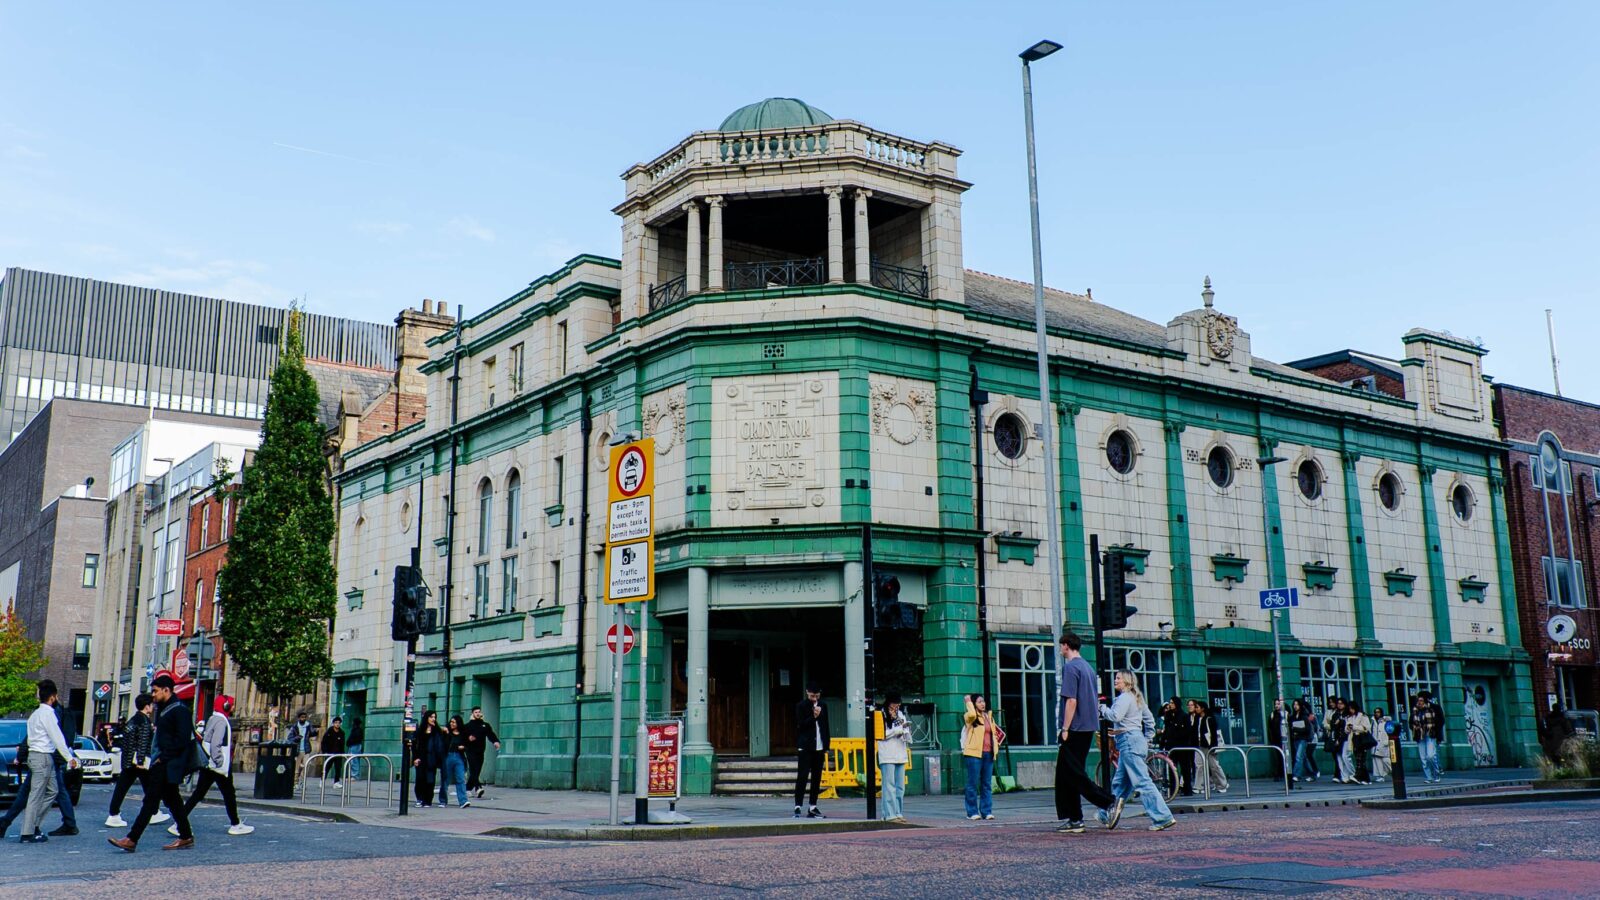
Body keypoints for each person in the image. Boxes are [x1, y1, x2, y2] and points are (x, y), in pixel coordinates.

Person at [108, 674, 195, 851]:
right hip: (162, 762)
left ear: (166, 690)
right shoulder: (165, 710)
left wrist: (164, 757)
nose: (153, 695)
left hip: (167, 763)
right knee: (173, 801)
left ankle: (132, 839)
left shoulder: (179, 710)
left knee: (151, 801)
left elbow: (183, 739)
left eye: (155, 691)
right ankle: (186, 836)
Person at [1096, 670, 1176, 832]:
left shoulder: (1124, 698)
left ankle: (1162, 817)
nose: (1115, 680)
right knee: (1120, 782)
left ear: (1126, 681)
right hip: (1134, 739)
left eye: (1118, 678)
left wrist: (1102, 709)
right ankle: (1106, 812)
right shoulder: (1137, 698)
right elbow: (1149, 719)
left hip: (1128, 741)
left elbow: (1116, 716)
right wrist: (1146, 738)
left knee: (1142, 781)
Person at [1054, 632, 1115, 834]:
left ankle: (1108, 802)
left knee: (1073, 773)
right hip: (1088, 726)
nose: (1060, 649)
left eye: (1061, 646)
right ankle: (1075, 819)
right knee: (1067, 774)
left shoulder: (1071, 668)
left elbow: (1071, 700)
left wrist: (1065, 728)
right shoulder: (1087, 667)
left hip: (1075, 727)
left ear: (1066, 646)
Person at [170, 695, 253, 836]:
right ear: (225, 706)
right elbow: (216, 743)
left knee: (199, 794)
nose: (233, 707)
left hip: (209, 765)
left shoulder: (212, 718)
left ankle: (178, 823)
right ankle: (235, 824)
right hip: (218, 767)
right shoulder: (221, 721)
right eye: (231, 705)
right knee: (229, 795)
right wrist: (219, 760)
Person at [17, 680, 81, 844]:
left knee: (53, 791)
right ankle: (28, 832)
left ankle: (34, 824)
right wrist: (70, 758)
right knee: (36, 795)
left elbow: (30, 738)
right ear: (53, 697)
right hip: (43, 756)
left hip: (38, 756)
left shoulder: (35, 714)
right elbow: (57, 737)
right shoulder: (48, 714)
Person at [105, 694, 170, 828]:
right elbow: (143, 742)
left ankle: (113, 814)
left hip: (128, 760)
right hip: (140, 762)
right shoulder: (145, 722)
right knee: (151, 787)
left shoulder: (133, 720)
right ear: (147, 707)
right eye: (151, 705)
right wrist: (141, 761)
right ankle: (154, 812)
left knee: (122, 788)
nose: (153, 707)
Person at [793, 684, 830, 819]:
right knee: (802, 776)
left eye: (817, 696)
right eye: (812, 696)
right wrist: (813, 716)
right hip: (806, 746)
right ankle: (798, 805)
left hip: (819, 746)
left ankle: (813, 806)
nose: (814, 699)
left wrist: (826, 745)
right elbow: (800, 725)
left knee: (816, 777)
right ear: (807, 693)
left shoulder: (823, 706)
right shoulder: (801, 706)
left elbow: (825, 725)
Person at [962, 693, 1001, 821]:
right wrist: (968, 702)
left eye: (983, 701)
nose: (982, 704)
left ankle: (986, 811)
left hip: (988, 753)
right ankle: (972, 812)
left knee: (986, 784)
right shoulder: (970, 717)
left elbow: (994, 733)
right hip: (974, 754)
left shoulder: (989, 717)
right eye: (979, 702)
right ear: (973, 704)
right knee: (972, 783)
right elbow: (972, 714)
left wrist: (995, 748)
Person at [877, 693, 910, 823]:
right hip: (887, 753)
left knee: (900, 786)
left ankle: (898, 812)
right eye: (895, 704)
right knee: (889, 785)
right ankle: (889, 814)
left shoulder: (900, 714)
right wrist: (896, 731)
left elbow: (903, 730)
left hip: (900, 752)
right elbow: (881, 734)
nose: (897, 706)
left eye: (898, 704)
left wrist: (905, 731)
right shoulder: (881, 714)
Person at [464, 707, 501, 799]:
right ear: (472, 714)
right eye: (476, 712)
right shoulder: (468, 726)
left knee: (477, 771)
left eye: (479, 712)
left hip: (480, 751)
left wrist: (495, 742)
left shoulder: (484, 725)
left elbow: (490, 734)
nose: (478, 713)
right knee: (473, 769)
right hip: (470, 751)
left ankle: (467, 788)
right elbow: (463, 737)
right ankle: (478, 788)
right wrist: (468, 739)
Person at [1193, 700, 1229, 793]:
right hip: (1199, 745)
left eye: (1197, 707)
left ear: (1202, 708)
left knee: (1214, 766)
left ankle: (1222, 785)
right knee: (1199, 766)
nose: (1195, 709)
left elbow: (1213, 734)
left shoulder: (1209, 719)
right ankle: (1199, 786)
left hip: (1208, 746)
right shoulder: (1197, 718)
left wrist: (1213, 747)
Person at [411, 710, 444, 808]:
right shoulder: (420, 731)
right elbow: (415, 745)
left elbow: (440, 745)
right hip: (421, 758)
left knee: (430, 780)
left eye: (434, 717)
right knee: (420, 779)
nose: (433, 719)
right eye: (431, 717)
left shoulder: (436, 731)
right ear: (427, 718)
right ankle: (419, 798)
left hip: (431, 759)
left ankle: (428, 800)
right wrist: (415, 758)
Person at [1411, 691, 1445, 784]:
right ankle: (1429, 777)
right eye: (1418, 700)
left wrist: (1436, 732)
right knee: (1423, 758)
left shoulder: (1434, 708)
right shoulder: (1415, 709)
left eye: (1421, 700)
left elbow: (1441, 721)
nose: (1419, 702)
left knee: (1431, 756)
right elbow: (1411, 721)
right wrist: (1415, 728)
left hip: (1431, 734)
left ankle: (1436, 773)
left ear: (1425, 700)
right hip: (1420, 735)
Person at [441, 715, 472, 808]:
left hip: (459, 756)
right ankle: (443, 800)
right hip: (448, 756)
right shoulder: (447, 733)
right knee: (445, 779)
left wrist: (464, 747)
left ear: (458, 723)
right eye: (451, 722)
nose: (452, 724)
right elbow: (443, 744)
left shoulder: (463, 734)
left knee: (461, 778)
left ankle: (463, 801)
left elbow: (468, 745)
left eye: (454, 722)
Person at [1289, 698, 1318, 783]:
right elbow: (1291, 728)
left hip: (1303, 738)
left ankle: (1296, 775)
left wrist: (1296, 729)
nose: (1295, 706)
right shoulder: (1293, 716)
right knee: (1303, 758)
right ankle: (1312, 773)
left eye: (1297, 704)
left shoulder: (1304, 716)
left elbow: (1306, 729)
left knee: (1298, 756)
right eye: (1294, 704)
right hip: (1296, 739)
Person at [1344, 700, 1373, 784]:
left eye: (1352, 709)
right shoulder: (1348, 717)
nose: (1350, 710)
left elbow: (1366, 728)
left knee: (1361, 759)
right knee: (1358, 759)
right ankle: (1366, 779)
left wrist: (1354, 727)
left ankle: (1358, 776)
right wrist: (1348, 728)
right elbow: (1346, 730)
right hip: (1353, 739)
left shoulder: (1362, 716)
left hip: (1361, 738)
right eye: (1349, 709)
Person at [1324, 696, 1349, 782]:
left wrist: (1339, 723)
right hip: (1335, 736)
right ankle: (1342, 775)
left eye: (1340, 703)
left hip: (1345, 737)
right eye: (1338, 703)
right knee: (1337, 756)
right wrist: (1333, 725)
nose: (1338, 705)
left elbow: (1346, 725)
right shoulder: (1334, 714)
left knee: (1344, 756)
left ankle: (1348, 774)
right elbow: (1328, 724)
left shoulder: (1346, 714)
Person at [320, 716, 347, 789]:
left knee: (338, 768)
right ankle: (322, 780)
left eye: (339, 723)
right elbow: (324, 742)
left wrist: (342, 753)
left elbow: (342, 743)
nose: (337, 724)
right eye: (336, 723)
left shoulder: (342, 733)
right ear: (333, 723)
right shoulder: (329, 732)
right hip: (329, 752)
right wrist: (324, 751)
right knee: (327, 767)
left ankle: (336, 782)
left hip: (338, 753)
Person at [1370, 707, 1392, 782]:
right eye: (1376, 712)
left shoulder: (1386, 721)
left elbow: (1390, 731)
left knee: (1386, 760)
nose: (1377, 713)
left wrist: (1387, 741)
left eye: (1378, 712)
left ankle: (1390, 771)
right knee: (1376, 760)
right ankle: (1380, 775)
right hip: (1375, 743)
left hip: (1384, 743)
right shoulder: (1373, 721)